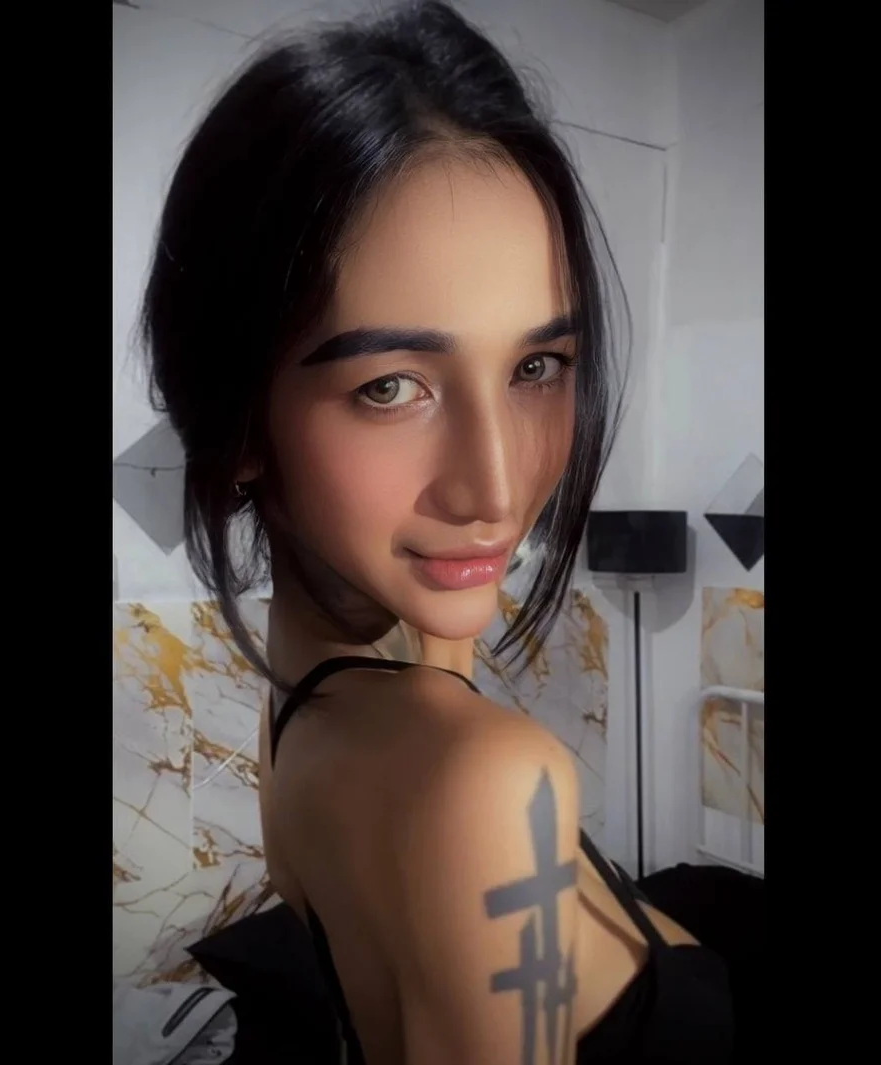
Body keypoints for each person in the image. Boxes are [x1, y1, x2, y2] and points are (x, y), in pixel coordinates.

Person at [141, 2, 733, 1061]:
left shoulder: (309, 716)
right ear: (238, 424)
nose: (497, 487)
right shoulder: (481, 787)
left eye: (536, 366)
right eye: (391, 386)